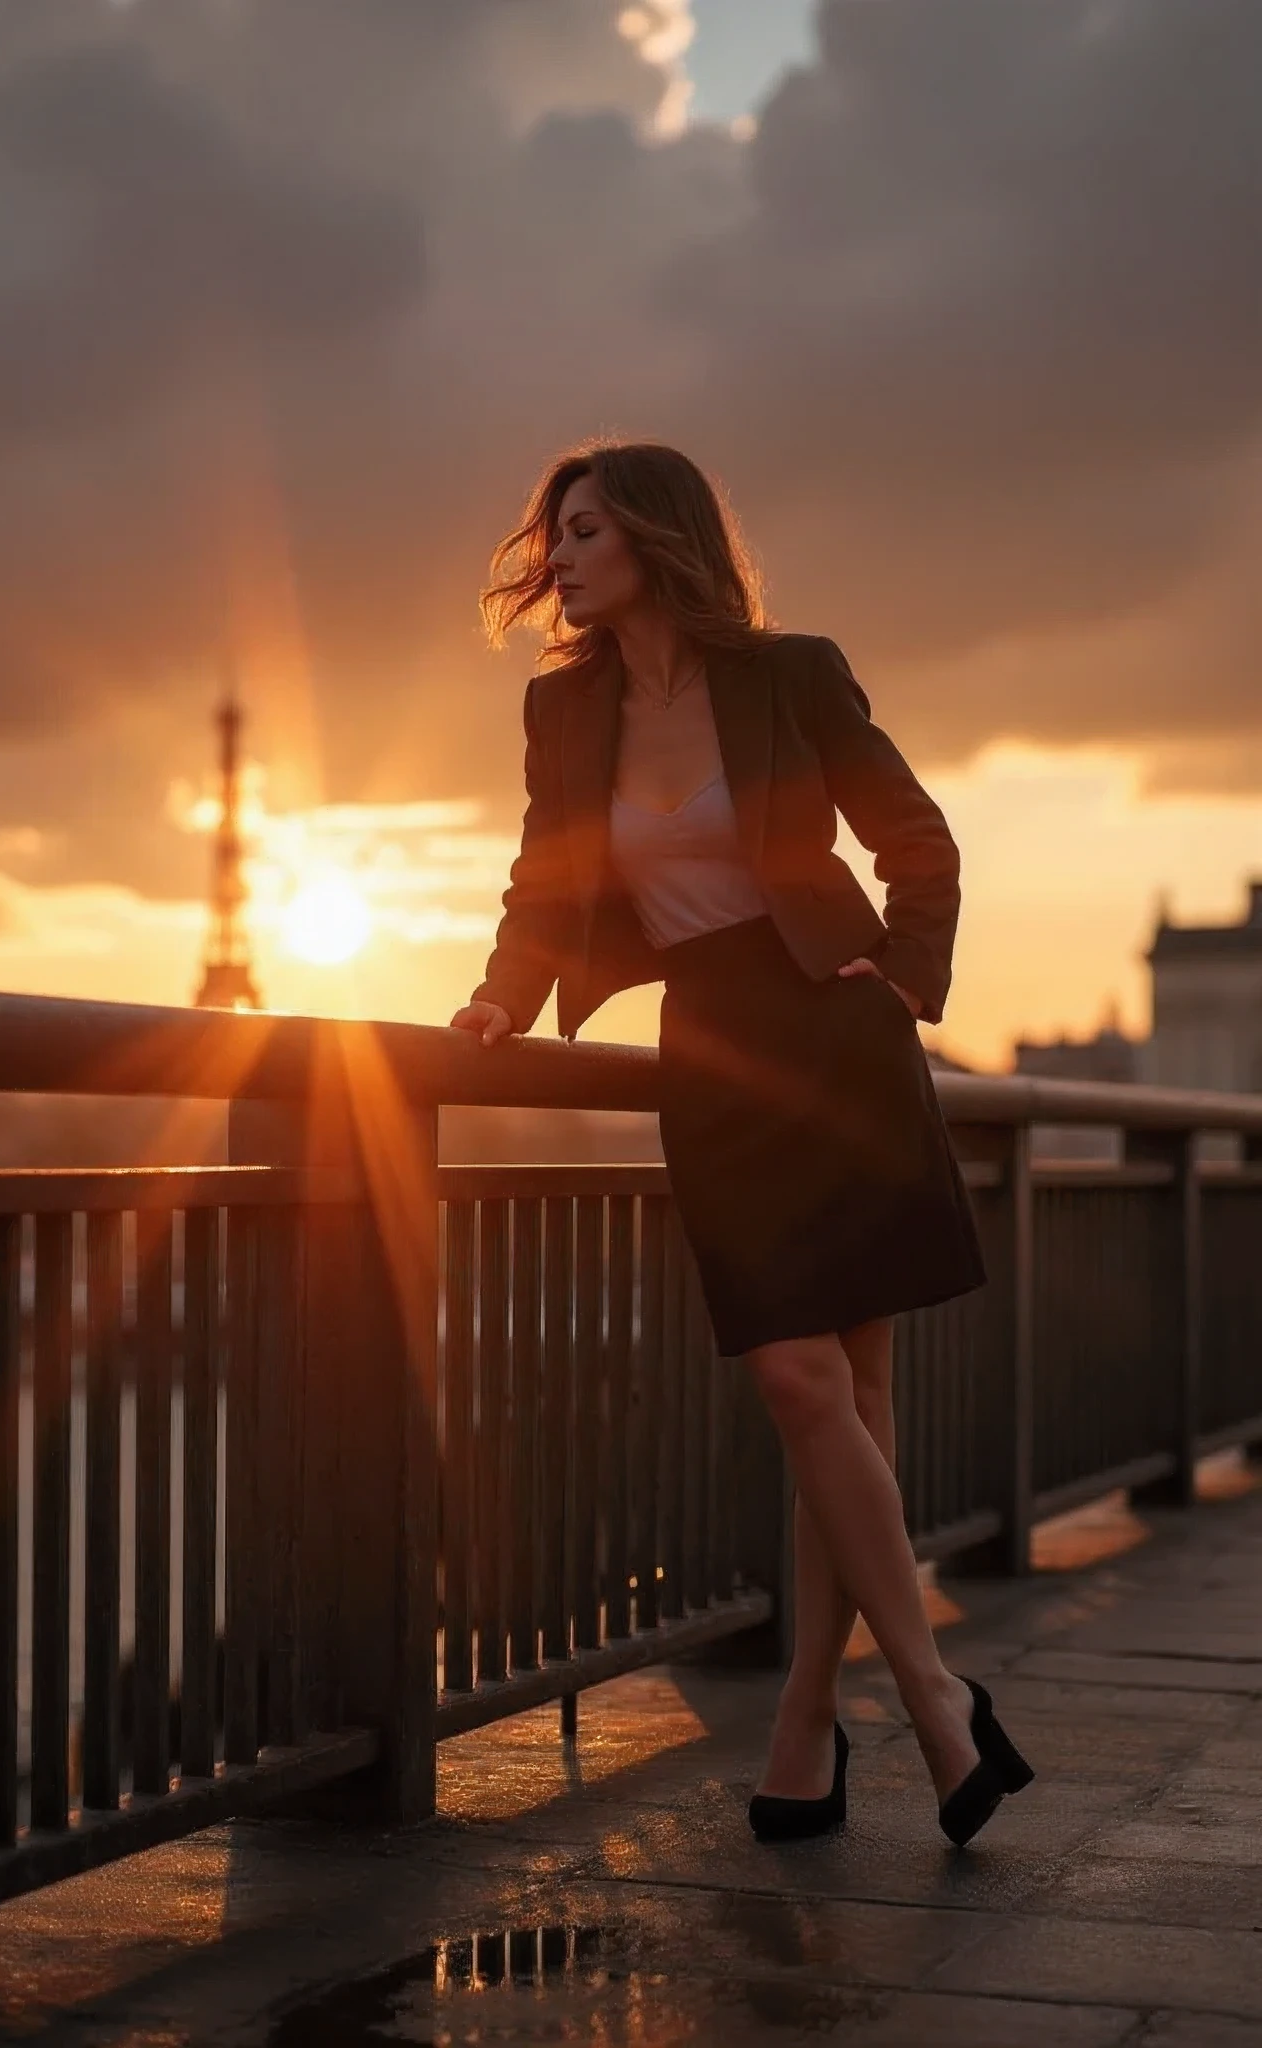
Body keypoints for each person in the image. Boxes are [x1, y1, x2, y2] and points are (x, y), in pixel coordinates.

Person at [449, 441, 1033, 1849]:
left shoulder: (792, 675)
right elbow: (545, 880)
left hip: (837, 1041)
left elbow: (918, 838)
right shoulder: (563, 710)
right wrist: (498, 999)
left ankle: (805, 1727)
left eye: (586, 531)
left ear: (656, 537)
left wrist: (906, 971)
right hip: (712, 1046)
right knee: (800, 1375)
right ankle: (936, 1697)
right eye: (556, 536)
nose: (562, 558)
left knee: (851, 1394)